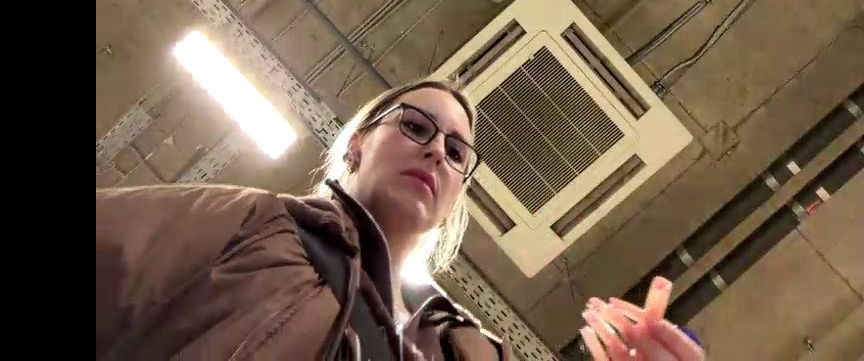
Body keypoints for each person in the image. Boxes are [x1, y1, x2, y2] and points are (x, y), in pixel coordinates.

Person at [96, 77, 704, 361]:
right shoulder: (251, 226)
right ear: (358, 145)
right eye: (416, 127)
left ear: (456, 194)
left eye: (457, 152)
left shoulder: (470, 353)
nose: (437, 150)